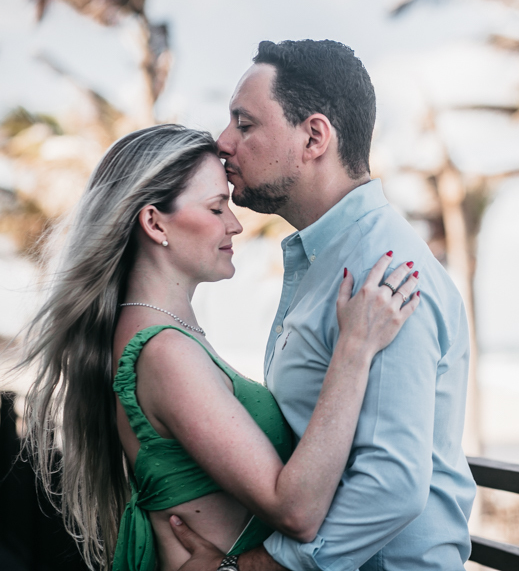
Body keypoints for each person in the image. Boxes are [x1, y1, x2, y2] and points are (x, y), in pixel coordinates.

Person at [15, 124, 422, 571]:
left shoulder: (161, 334)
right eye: (215, 207)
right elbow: (296, 511)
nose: (235, 224)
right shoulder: (164, 352)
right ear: (154, 222)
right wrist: (355, 349)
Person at [170, 39, 476, 571]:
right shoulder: (329, 259)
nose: (223, 141)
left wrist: (255, 568)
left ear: (314, 137)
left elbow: (392, 485)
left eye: (245, 124)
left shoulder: (384, 270)